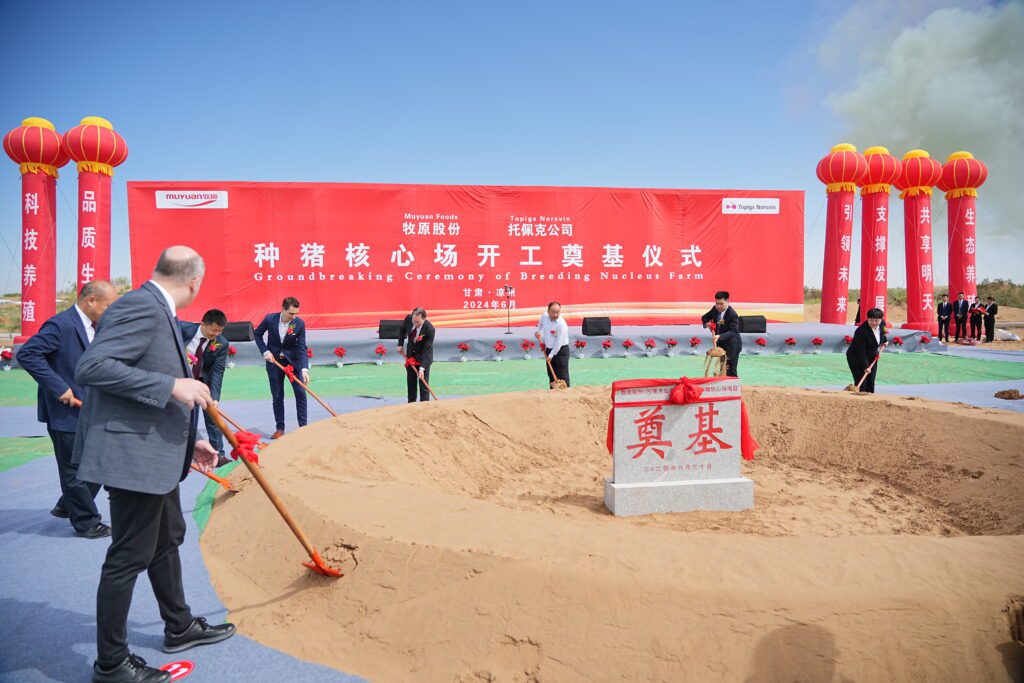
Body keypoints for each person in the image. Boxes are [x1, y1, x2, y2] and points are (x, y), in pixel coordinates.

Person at [74, 246, 235, 683]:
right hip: (133, 459)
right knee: (128, 555)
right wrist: (172, 386)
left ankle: (178, 625)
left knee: (166, 539)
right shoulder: (142, 307)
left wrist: (192, 441)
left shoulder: (151, 307)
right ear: (194, 282)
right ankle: (111, 664)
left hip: (157, 454)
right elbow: (93, 367)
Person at [17, 280, 118, 539]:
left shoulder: (98, 327)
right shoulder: (61, 325)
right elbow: (28, 354)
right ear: (91, 300)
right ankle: (86, 522)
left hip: (93, 408)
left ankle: (67, 504)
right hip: (66, 411)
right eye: (108, 305)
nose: (111, 311)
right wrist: (59, 387)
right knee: (74, 469)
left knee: (99, 463)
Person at [254, 297, 309, 439]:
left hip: (293, 363)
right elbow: (257, 334)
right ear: (283, 309)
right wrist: (265, 351)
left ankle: (304, 427)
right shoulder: (270, 320)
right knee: (277, 395)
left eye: (296, 313)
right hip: (274, 363)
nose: (294, 317)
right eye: (291, 313)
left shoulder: (299, 324)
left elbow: (302, 347)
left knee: (300, 393)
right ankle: (280, 428)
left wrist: (304, 369)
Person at [179, 310, 229, 467]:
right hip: (179, 380)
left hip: (201, 381)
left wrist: (214, 397)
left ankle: (218, 454)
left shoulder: (222, 343)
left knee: (212, 415)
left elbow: (217, 372)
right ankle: (184, 454)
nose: (216, 334)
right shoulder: (181, 329)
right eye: (213, 330)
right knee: (183, 417)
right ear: (203, 324)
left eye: (220, 331)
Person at [700, 291, 742, 377]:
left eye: (721, 304)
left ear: (727, 301)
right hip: (721, 345)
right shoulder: (715, 309)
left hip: (732, 345)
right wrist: (706, 324)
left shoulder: (732, 314)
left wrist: (720, 336)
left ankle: (734, 388)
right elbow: (705, 317)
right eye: (717, 303)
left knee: (730, 369)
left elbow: (734, 331)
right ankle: (723, 388)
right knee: (722, 368)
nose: (718, 306)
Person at [846, 307, 888, 393]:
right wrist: (865, 366)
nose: (873, 323)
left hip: (872, 355)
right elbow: (861, 351)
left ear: (880, 320)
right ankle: (860, 398)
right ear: (867, 319)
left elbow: (883, 333)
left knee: (871, 380)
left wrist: (885, 340)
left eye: (876, 321)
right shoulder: (861, 331)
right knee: (862, 380)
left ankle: (870, 398)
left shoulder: (882, 324)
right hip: (856, 357)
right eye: (871, 320)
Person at [534, 301, 570, 387]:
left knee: (562, 376)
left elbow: (559, 343)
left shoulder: (562, 324)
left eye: (558, 312)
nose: (555, 315)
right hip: (549, 349)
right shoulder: (544, 316)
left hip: (561, 351)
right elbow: (540, 325)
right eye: (553, 312)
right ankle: (553, 395)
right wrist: (538, 331)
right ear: (548, 311)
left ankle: (566, 396)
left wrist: (551, 356)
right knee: (551, 375)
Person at [404, 307, 435, 402]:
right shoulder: (409, 319)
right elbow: (402, 330)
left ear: (424, 319)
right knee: (411, 383)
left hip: (423, 358)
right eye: (414, 321)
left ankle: (424, 407)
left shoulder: (430, 329)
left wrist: (422, 368)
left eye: (418, 322)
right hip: (411, 357)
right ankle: (411, 405)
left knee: (423, 385)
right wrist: (400, 344)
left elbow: (427, 349)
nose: (415, 324)